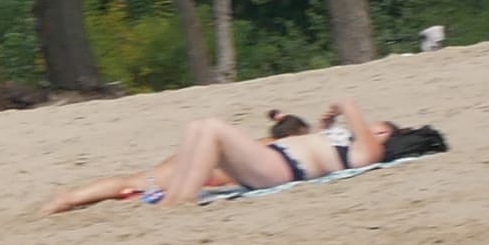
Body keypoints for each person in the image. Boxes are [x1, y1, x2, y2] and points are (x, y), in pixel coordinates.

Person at [45, 95, 443, 214]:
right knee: (200, 128)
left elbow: (364, 129)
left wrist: (345, 105)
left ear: (388, 138)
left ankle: (178, 202)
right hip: (276, 161)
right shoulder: (349, 145)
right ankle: (173, 200)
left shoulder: (368, 149)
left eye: (382, 129)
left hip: (281, 167)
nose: (373, 127)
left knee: (212, 128)